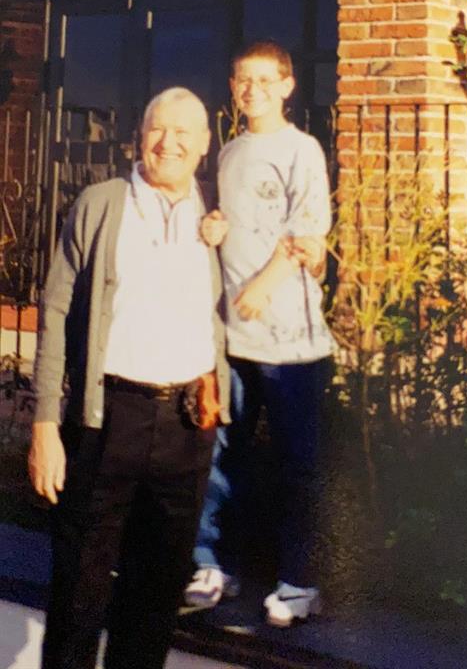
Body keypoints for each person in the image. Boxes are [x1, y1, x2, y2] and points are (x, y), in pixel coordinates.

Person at [28, 87, 230, 669]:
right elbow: (57, 310)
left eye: (182, 132)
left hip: (188, 425)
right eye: (156, 130)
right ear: (139, 137)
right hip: (107, 418)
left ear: (204, 145)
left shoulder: (215, 213)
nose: (168, 143)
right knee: (78, 594)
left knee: (154, 600)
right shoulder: (101, 203)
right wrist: (45, 423)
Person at [184, 40, 334, 628]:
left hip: (292, 344)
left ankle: (299, 582)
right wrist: (214, 226)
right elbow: (233, 222)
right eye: (243, 80)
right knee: (224, 456)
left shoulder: (301, 150)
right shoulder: (231, 151)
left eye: (265, 81)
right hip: (234, 342)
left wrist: (263, 285)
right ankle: (215, 565)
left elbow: (308, 232)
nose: (253, 91)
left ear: (288, 86)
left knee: (298, 465)